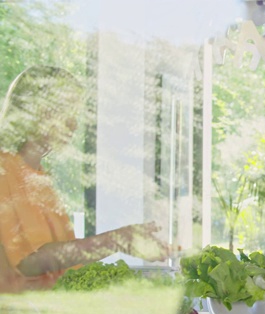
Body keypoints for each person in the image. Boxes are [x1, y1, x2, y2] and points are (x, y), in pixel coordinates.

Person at [0, 65, 169, 292]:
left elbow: (65, 261)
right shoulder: (5, 171)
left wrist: (121, 241)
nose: (74, 124)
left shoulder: (40, 179)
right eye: (67, 113)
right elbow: (29, 261)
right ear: (40, 111)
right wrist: (116, 239)